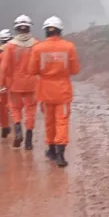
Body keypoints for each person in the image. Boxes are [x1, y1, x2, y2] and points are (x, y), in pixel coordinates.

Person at [28, 16, 80, 167]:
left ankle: (51, 149)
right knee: (62, 122)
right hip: (63, 90)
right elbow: (75, 69)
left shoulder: (37, 48)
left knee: (49, 122)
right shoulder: (69, 47)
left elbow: (32, 70)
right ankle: (60, 155)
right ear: (60, 30)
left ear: (46, 31)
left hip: (45, 91)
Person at [0, 15, 40, 150]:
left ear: (16, 28)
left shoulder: (10, 47)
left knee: (15, 109)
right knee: (30, 111)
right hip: (32, 84)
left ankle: (17, 130)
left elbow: (3, 67)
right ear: (29, 27)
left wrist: (1, 84)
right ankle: (28, 140)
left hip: (14, 84)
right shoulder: (37, 44)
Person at [0, 29, 14, 139]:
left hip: (2, 81)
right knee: (13, 106)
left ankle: (4, 126)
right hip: (13, 81)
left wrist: (0, 84)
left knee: (2, 106)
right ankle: (15, 124)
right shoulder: (14, 50)